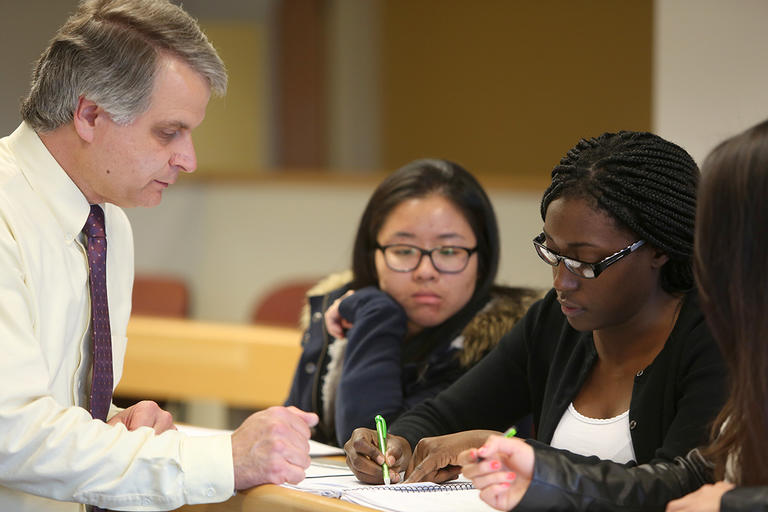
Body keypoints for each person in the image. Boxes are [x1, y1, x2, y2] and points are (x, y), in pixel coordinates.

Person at [0, 1, 317, 511]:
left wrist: (113, 424)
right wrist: (226, 461)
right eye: (169, 133)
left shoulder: (107, 225)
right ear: (90, 115)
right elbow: (12, 436)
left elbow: (50, 412)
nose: (188, 159)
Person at [345, 131, 727, 485]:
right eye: (552, 253)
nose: (562, 281)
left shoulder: (715, 338)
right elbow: (444, 415)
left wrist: (517, 455)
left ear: (658, 250)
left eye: (585, 262)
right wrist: (398, 445)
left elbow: (678, 483)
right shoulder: (554, 321)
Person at [458, 119, 768, 511]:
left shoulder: (708, 334)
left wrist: (736, 503)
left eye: (722, 234)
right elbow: (686, 476)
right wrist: (542, 473)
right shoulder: (749, 339)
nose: (707, 252)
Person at [285, 159, 540, 446]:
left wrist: (377, 315)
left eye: (448, 250)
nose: (425, 272)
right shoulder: (340, 310)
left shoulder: (503, 343)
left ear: (482, 259)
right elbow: (290, 428)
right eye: (404, 250)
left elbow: (382, 453)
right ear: (373, 255)